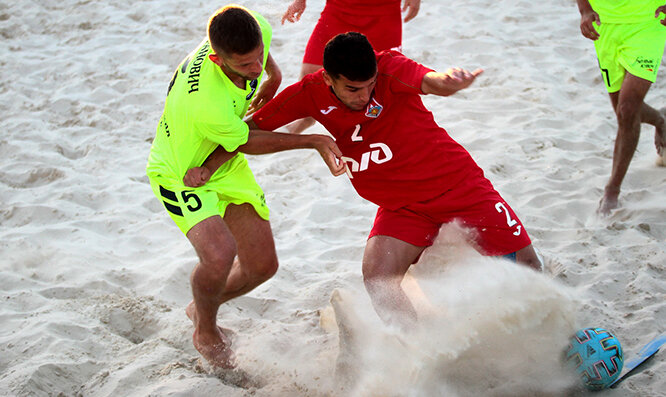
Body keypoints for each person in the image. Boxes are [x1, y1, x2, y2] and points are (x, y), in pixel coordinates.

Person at [189, 32, 542, 329]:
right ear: (328, 78)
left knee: (528, 266)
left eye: (371, 86)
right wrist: (208, 165)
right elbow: (249, 132)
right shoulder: (308, 92)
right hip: (402, 207)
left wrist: (449, 82)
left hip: (459, 188)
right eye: (354, 89)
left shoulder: (389, 67)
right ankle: (420, 350)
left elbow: (431, 82)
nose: (365, 96)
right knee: (378, 278)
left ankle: (547, 332)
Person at [146, 5, 345, 368]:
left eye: (258, 59)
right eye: (245, 66)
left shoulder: (255, 30)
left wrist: (274, 75)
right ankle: (206, 330)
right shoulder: (207, 103)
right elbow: (247, 141)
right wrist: (311, 140)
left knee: (262, 266)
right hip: (181, 172)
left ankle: (199, 307)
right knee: (219, 255)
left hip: (222, 162)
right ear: (218, 60)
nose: (255, 69)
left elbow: (263, 61)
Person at [576, 0, 666, 215]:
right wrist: (585, 10)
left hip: (649, 22)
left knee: (627, 109)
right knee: (623, 112)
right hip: (605, 25)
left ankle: (612, 189)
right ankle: (660, 120)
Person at [281, 0, 421, 133]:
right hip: (338, 9)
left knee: (383, 79)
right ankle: (306, 119)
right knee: (310, 73)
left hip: (383, 12)